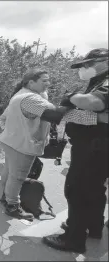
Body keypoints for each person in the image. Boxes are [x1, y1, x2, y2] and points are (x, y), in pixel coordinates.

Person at [0, 69, 99, 221]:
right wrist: (91, 114)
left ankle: (5, 197)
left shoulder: (22, 94)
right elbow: (57, 114)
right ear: (31, 82)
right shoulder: (30, 98)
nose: (48, 83)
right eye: (44, 80)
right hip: (23, 145)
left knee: (9, 171)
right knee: (17, 177)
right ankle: (12, 205)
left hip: (11, 141)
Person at [43, 48, 108, 254]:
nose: (84, 69)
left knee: (77, 190)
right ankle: (92, 228)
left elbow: (95, 103)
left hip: (93, 148)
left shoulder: (105, 83)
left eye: (87, 65)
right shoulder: (98, 82)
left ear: (104, 62)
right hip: (97, 147)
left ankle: (73, 239)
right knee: (95, 190)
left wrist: (71, 97)